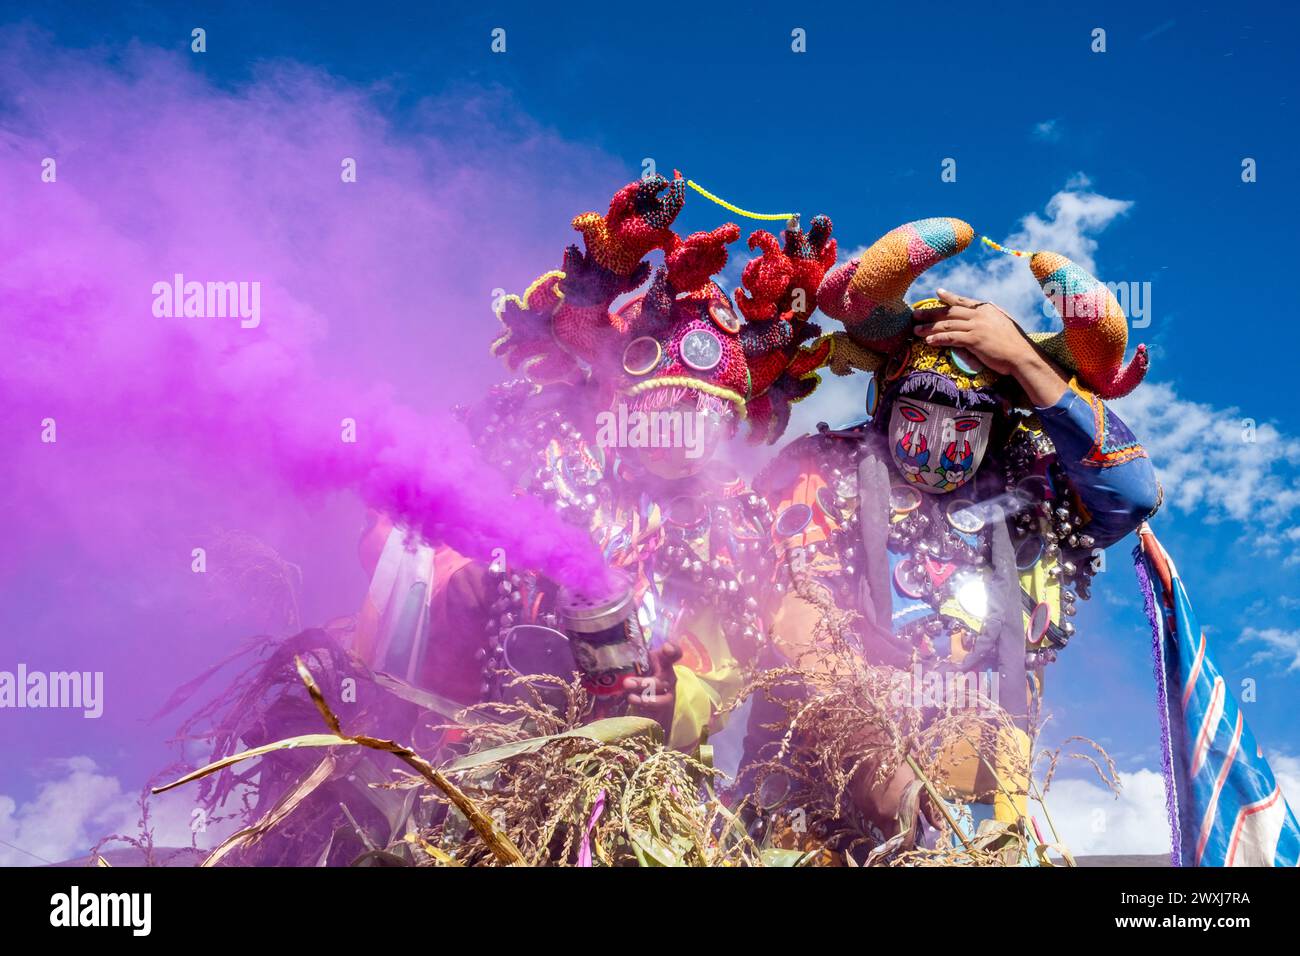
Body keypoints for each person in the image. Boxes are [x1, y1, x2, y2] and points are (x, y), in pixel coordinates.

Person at [354, 172, 838, 750]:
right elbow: (405, 544)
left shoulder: (728, 524)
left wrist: (675, 694)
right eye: (663, 412)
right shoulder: (536, 452)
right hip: (479, 751)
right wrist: (471, 585)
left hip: (643, 779)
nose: (680, 439)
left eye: (704, 421)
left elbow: (728, 670)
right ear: (618, 400)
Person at [746, 217, 1161, 847]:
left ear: (997, 428)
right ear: (885, 403)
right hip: (822, 803)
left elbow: (1132, 496)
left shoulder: (1030, 489)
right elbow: (799, 622)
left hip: (981, 813)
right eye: (920, 415)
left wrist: (1023, 360)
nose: (939, 442)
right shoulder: (823, 472)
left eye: (965, 425)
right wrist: (881, 768)